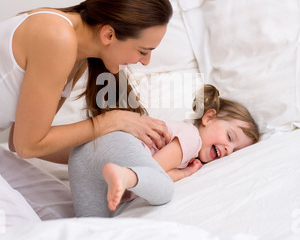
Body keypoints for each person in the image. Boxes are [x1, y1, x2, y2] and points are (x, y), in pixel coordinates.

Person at [0, 0, 173, 165]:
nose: (146, 61)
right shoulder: (57, 38)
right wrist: (111, 121)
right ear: (108, 34)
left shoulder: (77, 57)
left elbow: (22, 141)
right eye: (143, 51)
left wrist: (123, 157)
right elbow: (27, 145)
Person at [69, 84, 260, 216]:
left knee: (92, 227)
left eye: (234, 151)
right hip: (115, 146)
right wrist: (184, 173)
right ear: (208, 118)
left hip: (82, 159)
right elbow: (154, 171)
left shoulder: (187, 141)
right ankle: (125, 175)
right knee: (164, 191)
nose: (228, 149)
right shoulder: (192, 137)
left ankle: (123, 175)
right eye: (229, 137)